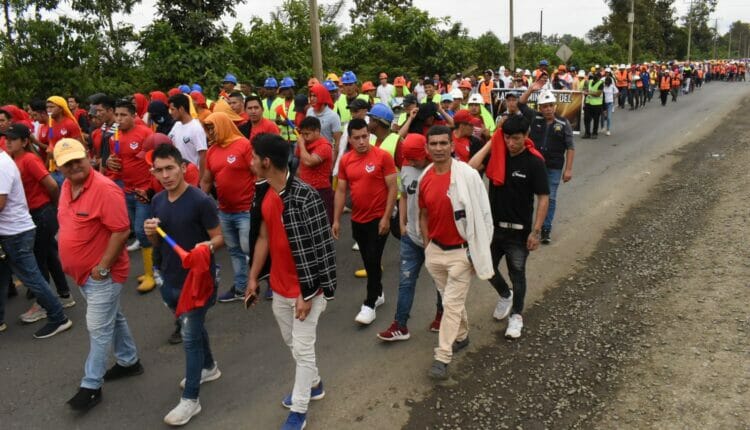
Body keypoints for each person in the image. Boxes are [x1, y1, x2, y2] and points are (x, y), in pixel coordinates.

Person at [246, 133, 336, 430]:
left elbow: (322, 247)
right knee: (294, 345)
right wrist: (253, 278)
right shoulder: (265, 192)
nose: (250, 161)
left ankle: (299, 411)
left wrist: (307, 293)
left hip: (307, 290)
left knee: (303, 348)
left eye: (253, 156)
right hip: (279, 288)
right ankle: (315, 384)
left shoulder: (305, 196)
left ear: (266, 162)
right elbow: (263, 238)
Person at [51, 138, 142, 411]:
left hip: (102, 275)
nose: (74, 166)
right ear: (59, 167)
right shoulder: (67, 185)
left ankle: (91, 385)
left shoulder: (105, 189)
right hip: (83, 275)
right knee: (114, 318)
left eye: (78, 159)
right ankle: (129, 361)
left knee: (98, 329)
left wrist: (102, 267)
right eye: (67, 163)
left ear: (87, 157)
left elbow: (122, 230)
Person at [145, 144, 224, 426]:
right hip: (171, 278)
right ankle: (209, 367)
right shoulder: (157, 200)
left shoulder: (201, 200)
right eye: (159, 170)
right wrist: (150, 234)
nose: (165, 175)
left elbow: (219, 238)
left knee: (189, 337)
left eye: (170, 168)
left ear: (182, 167)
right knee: (194, 327)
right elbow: (158, 242)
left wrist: (204, 247)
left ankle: (191, 399)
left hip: (198, 281)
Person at [418, 125, 493, 380]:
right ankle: (461, 335)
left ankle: (443, 356)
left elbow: (484, 214)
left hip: (461, 253)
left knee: (450, 303)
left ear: (452, 145)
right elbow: (423, 213)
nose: (438, 148)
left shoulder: (468, 176)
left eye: (443, 143)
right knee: (449, 298)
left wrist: (477, 251)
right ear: (427, 148)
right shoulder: (425, 176)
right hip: (436, 252)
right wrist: (428, 245)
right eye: (434, 144)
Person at [469, 115, 549, 339]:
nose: (511, 143)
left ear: (526, 136)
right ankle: (505, 295)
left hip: (519, 231)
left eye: (516, 139)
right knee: (485, 269)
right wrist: (492, 141)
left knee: (518, 274)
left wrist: (536, 231)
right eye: (507, 138)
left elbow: (543, 197)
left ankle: (516, 315)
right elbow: (472, 166)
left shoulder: (534, 162)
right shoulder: (497, 154)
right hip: (493, 229)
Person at [0, 138, 72, 338]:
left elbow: (1, 203)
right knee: (3, 276)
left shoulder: (3, 164)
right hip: (10, 231)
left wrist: (56, 208)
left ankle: (58, 317)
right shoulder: (6, 160)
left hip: (16, 232)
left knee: (32, 277)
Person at [377, 134, 444, 341]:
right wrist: (402, 223)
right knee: (405, 281)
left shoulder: (439, 169)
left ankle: (442, 315)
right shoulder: (406, 165)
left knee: (440, 281)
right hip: (411, 238)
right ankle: (400, 324)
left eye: (415, 159)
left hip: (436, 239)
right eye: (409, 159)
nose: (412, 163)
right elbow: (404, 195)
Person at [333, 118, 397, 325]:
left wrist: (387, 217)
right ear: (349, 139)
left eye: (365, 136)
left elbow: (393, 188)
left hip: (379, 218)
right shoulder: (346, 161)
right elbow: (341, 190)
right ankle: (378, 293)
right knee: (368, 260)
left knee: (372, 258)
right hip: (357, 219)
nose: (362, 141)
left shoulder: (383, 157)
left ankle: (369, 303)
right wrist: (335, 220)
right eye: (356, 138)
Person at [200, 112, 255, 303]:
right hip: (225, 211)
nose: (209, 133)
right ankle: (241, 288)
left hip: (246, 209)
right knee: (234, 251)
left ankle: (271, 281)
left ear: (223, 125)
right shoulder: (212, 151)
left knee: (250, 248)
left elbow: (257, 172)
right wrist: (199, 201)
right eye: (207, 129)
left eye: (212, 128)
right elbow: (207, 180)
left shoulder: (243, 145)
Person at [106, 100, 156, 293]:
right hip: (127, 191)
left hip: (144, 190)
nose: (119, 119)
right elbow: (116, 163)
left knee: (142, 231)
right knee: (141, 231)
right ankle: (151, 269)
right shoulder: (114, 137)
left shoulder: (145, 134)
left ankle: (152, 274)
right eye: (117, 115)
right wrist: (110, 164)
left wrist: (151, 189)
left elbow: (155, 162)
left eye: (123, 115)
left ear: (133, 115)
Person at [519, 81, 575, 244]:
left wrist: (568, 169)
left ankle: (545, 228)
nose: (548, 109)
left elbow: (570, 147)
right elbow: (521, 104)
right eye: (544, 106)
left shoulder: (564, 124)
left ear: (555, 106)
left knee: (549, 198)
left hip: (554, 167)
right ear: (540, 108)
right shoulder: (534, 118)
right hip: (534, 166)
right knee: (526, 196)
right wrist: (530, 90)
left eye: (550, 105)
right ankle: (525, 226)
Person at [295, 116, 334, 222]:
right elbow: (300, 159)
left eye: (307, 134)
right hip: (305, 189)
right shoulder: (306, 143)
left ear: (317, 131)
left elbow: (309, 162)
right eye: (302, 134)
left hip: (320, 191)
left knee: (323, 224)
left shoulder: (324, 146)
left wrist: (301, 145)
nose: (304, 137)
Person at [167, 94, 208, 178]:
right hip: (179, 175)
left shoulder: (196, 128)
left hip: (192, 176)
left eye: (172, 109)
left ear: (181, 109)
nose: (170, 113)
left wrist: (200, 179)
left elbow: (203, 155)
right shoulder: (177, 125)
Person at [307, 84, 342, 164]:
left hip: (326, 155)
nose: (312, 99)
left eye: (315, 96)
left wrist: (333, 161)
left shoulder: (333, 116)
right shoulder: (309, 112)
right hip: (310, 153)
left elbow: (337, 142)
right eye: (310, 96)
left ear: (322, 96)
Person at [582, 71, 604, 139]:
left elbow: (598, 94)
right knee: (586, 119)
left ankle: (594, 133)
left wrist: (588, 93)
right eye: (595, 75)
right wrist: (585, 90)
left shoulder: (601, 83)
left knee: (596, 119)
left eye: (597, 76)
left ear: (599, 78)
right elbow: (585, 89)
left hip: (597, 104)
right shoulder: (590, 81)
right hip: (588, 103)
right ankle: (587, 133)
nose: (595, 77)